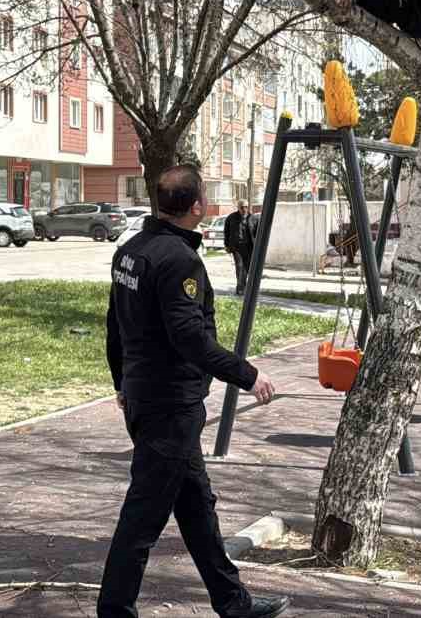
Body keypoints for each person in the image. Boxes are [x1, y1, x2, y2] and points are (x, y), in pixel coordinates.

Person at [100, 165, 288, 618]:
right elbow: (189, 337)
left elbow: (115, 325)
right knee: (141, 520)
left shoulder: (131, 250)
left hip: (147, 397)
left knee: (197, 507)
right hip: (169, 405)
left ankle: (233, 602)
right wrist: (247, 374)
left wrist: (121, 381)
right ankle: (114, 611)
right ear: (197, 207)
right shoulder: (178, 260)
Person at [224, 201, 253, 295]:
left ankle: (245, 287)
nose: (244, 209)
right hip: (236, 247)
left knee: (247, 267)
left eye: (246, 207)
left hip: (249, 247)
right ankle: (240, 288)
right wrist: (226, 245)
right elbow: (226, 232)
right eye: (242, 207)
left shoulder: (252, 218)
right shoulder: (231, 218)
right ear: (238, 207)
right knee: (240, 266)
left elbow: (256, 233)